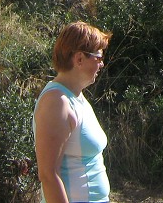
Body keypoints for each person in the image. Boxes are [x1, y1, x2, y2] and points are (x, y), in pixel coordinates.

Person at [34, 21, 112, 203]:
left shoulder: (76, 97)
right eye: (98, 58)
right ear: (79, 59)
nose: (102, 64)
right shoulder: (57, 102)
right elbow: (48, 175)